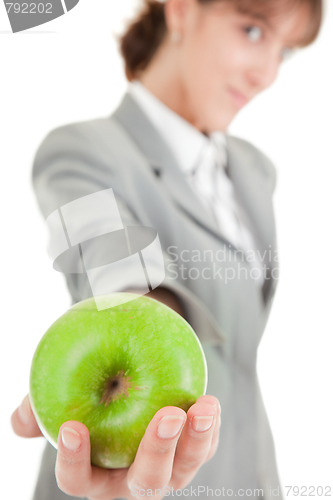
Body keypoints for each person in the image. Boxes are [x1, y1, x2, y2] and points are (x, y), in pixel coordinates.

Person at [11, 0, 323, 498]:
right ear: (179, 9)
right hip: (130, 473)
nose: (266, 73)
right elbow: (117, 269)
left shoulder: (254, 170)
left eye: (285, 53)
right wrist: (145, 326)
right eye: (253, 31)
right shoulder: (79, 150)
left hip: (251, 476)